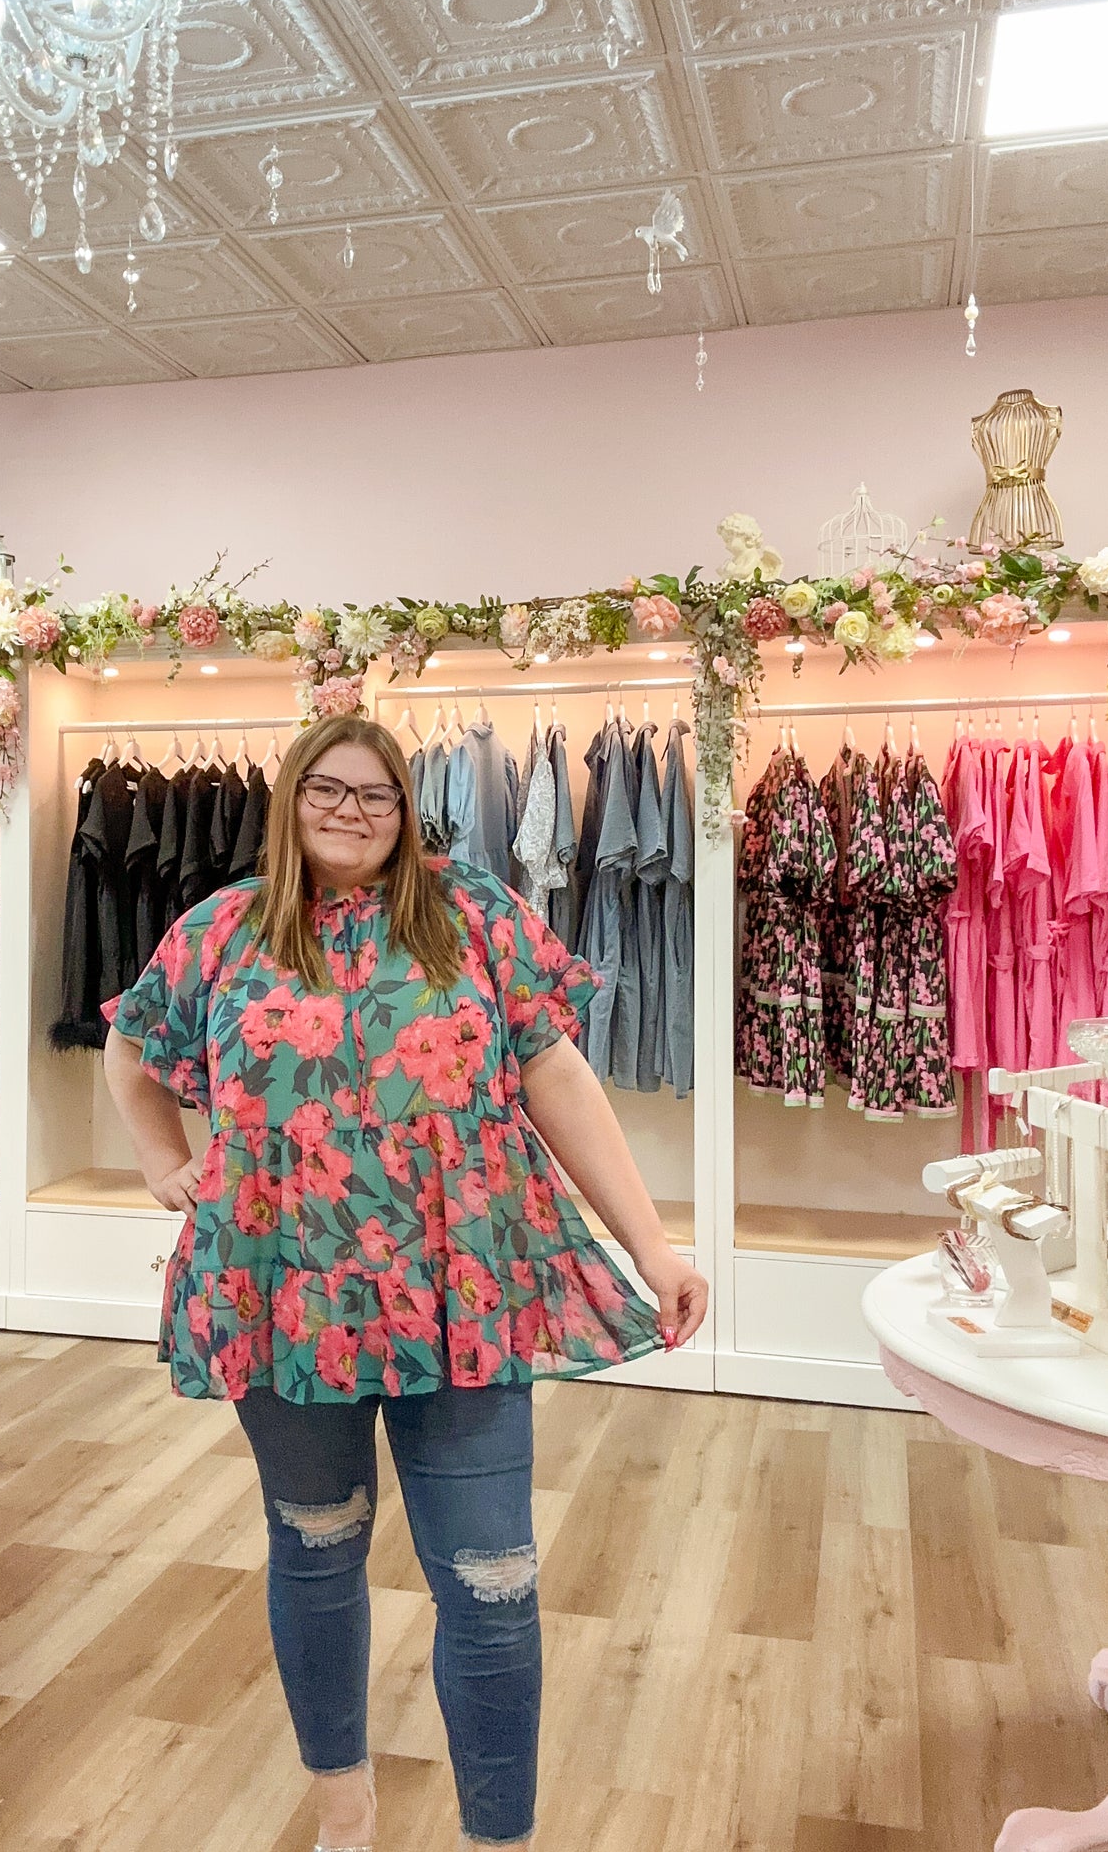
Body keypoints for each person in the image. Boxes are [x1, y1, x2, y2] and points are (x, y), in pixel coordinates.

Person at [104, 714, 708, 1852]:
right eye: (327, 789)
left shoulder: (473, 912)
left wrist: (651, 1245)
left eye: (375, 793)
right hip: (283, 1294)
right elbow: (130, 1047)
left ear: (404, 807)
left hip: (460, 1288)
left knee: (492, 1576)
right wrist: (160, 1161)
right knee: (316, 1546)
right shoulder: (220, 929)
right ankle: (344, 1807)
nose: (351, 811)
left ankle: (498, 1835)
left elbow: (555, 1071)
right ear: (290, 798)